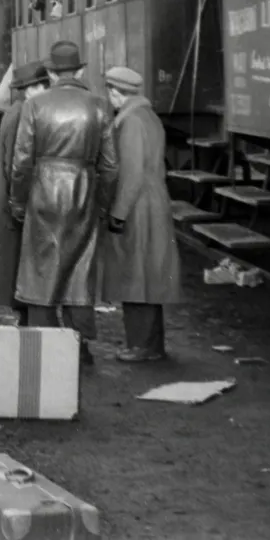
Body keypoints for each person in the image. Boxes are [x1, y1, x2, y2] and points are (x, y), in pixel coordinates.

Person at [9, 41, 118, 365]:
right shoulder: (99, 106)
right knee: (79, 272)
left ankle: (45, 349)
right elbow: (110, 165)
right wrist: (103, 204)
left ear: (52, 73)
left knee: (41, 271)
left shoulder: (35, 105)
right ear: (81, 70)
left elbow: (21, 161)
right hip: (83, 189)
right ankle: (80, 348)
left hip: (43, 189)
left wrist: (18, 202)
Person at [98, 66, 180, 362]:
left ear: (116, 92)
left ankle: (141, 346)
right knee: (150, 274)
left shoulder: (130, 122)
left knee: (135, 274)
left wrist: (118, 214)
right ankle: (152, 344)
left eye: (110, 93)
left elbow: (130, 173)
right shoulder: (149, 117)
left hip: (137, 206)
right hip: (153, 201)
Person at [0, 62, 48, 326]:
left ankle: (24, 313)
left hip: (12, 196)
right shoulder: (24, 115)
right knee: (22, 258)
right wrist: (19, 202)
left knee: (18, 258)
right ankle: (25, 316)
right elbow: (16, 165)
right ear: (33, 89)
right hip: (17, 198)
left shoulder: (16, 112)